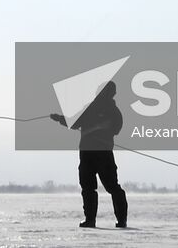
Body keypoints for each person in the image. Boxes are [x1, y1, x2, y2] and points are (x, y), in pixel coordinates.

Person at [50, 81, 128, 228]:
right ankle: (114, 221)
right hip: (95, 153)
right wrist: (59, 118)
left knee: (95, 187)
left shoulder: (95, 108)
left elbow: (74, 123)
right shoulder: (111, 111)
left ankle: (93, 220)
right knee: (106, 187)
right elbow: (115, 128)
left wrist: (60, 119)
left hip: (93, 153)